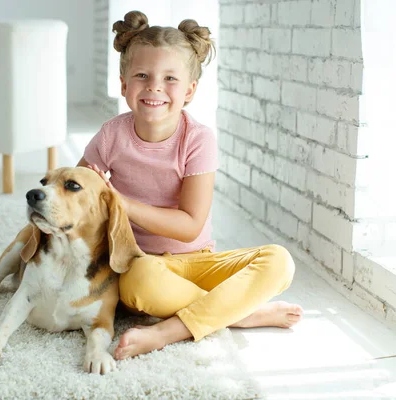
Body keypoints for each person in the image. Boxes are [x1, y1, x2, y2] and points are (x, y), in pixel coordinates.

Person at [77, 10, 303, 360]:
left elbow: (189, 225)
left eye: (170, 78)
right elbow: (76, 197)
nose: (154, 86)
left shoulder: (198, 139)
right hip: (142, 262)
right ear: (124, 85)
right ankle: (238, 314)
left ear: (189, 91)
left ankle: (170, 330)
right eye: (141, 75)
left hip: (198, 261)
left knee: (279, 261)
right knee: (137, 282)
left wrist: (119, 201)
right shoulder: (111, 135)